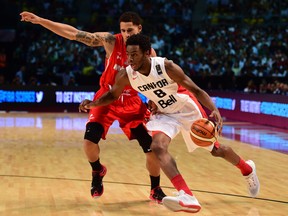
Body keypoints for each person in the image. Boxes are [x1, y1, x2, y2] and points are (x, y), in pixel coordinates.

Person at [80, 34, 260, 213]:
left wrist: (215, 110)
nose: (130, 59)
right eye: (128, 54)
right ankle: (186, 195)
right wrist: (92, 103)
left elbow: (196, 89)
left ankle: (246, 168)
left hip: (185, 108)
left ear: (147, 53)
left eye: (134, 54)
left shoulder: (166, 66)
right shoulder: (127, 74)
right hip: (164, 113)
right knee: (157, 147)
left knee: (216, 150)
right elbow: (112, 95)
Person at [20, 11, 166, 203]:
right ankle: (97, 170)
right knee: (88, 143)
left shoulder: (149, 53)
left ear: (139, 29)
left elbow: (155, 82)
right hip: (106, 98)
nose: (126, 34)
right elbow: (74, 33)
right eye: (123, 30)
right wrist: (40, 21)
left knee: (152, 151)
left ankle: (155, 188)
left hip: (132, 103)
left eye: (129, 30)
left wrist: (153, 100)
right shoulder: (111, 41)